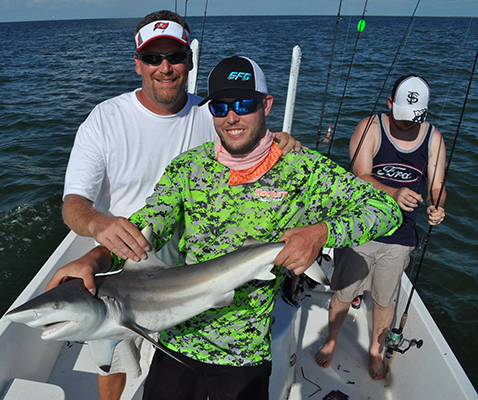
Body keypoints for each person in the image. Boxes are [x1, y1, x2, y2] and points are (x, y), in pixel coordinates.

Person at [49, 56, 402, 400]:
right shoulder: (189, 167)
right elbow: (147, 223)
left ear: (266, 104)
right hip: (176, 341)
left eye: (244, 104)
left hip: (243, 353)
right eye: (220, 107)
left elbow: (387, 209)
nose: (231, 117)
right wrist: (95, 259)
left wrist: (320, 233)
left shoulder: (303, 169)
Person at [60, 10, 298, 400]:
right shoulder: (104, 119)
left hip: (199, 267)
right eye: (154, 57)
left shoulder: (214, 113)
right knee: (115, 361)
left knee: (184, 370)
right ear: (138, 62)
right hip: (128, 265)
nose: (165, 67)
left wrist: (281, 143)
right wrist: (99, 225)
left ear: (190, 61)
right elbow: (73, 205)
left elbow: (249, 142)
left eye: (175, 56)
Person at [315, 74, 447, 380]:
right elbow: (360, 175)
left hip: (401, 236)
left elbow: (437, 184)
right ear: (390, 104)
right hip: (362, 227)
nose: (404, 123)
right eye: (399, 115)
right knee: (344, 292)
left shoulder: (434, 138)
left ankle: (375, 351)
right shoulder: (370, 127)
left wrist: (436, 204)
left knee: (386, 300)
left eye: (412, 119)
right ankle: (331, 339)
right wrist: (394, 192)